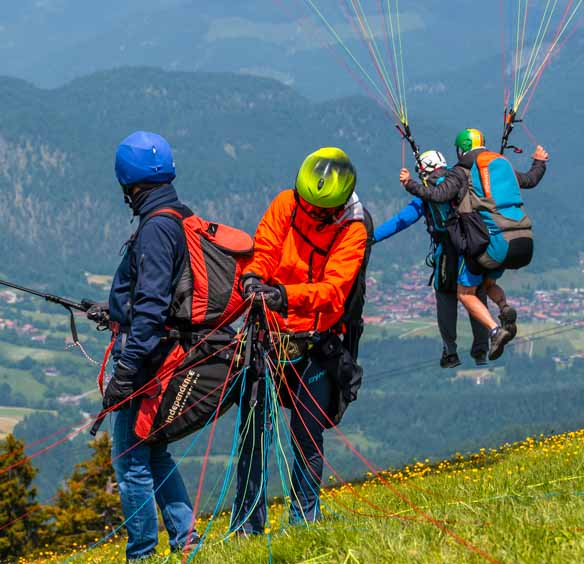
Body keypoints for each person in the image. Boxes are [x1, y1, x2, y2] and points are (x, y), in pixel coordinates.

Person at [231, 147, 368, 534]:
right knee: (252, 432)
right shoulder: (287, 204)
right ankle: (247, 526)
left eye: (317, 210)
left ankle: (304, 520)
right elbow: (267, 247)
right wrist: (255, 277)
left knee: (307, 433)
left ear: (335, 208)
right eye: (306, 204)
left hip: (315, 343)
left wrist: (287, 296)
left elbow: (334, 290)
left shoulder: (353, 230)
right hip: (270, 337)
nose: (309, 213)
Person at [101, 131, 201, 562]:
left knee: (130, 460)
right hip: (159, 348)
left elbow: (153, 304)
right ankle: (185, 541)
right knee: (153, 451)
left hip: (146, 356)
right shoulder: (176, 214)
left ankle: (141, 554)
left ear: (128, 181)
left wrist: (126, 370)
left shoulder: (157, 227)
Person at [399, 128, 549, 360]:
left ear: (461, 150)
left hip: (492, 243)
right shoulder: (502, 164)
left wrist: (410, 183)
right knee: (487, 285)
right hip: (521, 239)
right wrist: (539, 161)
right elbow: (530, 180)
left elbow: (439, 195)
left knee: (465, 292)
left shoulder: (460, 171)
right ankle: (504, 307)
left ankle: (495, 330)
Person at [373, 150, 489, 368]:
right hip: (472, 251)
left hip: (447, 254)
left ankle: (450, 351)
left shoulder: (426, 194)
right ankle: (481, 349)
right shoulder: (462, 182)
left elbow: (402, 221)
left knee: (445, 298)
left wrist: (370, 238)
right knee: (476, 294)